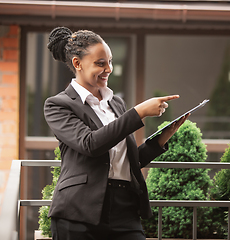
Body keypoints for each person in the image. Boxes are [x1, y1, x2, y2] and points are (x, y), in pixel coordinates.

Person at [44, 26, 189, 240]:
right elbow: (90, 144)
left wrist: (161, 139)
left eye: (110, 62)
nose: (109, 69)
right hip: (78, 212)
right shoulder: (58, 105)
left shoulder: (116, 104)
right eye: (100, 63)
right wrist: (138, 112)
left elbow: (128, 161)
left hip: (124, 208)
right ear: (78, 63)